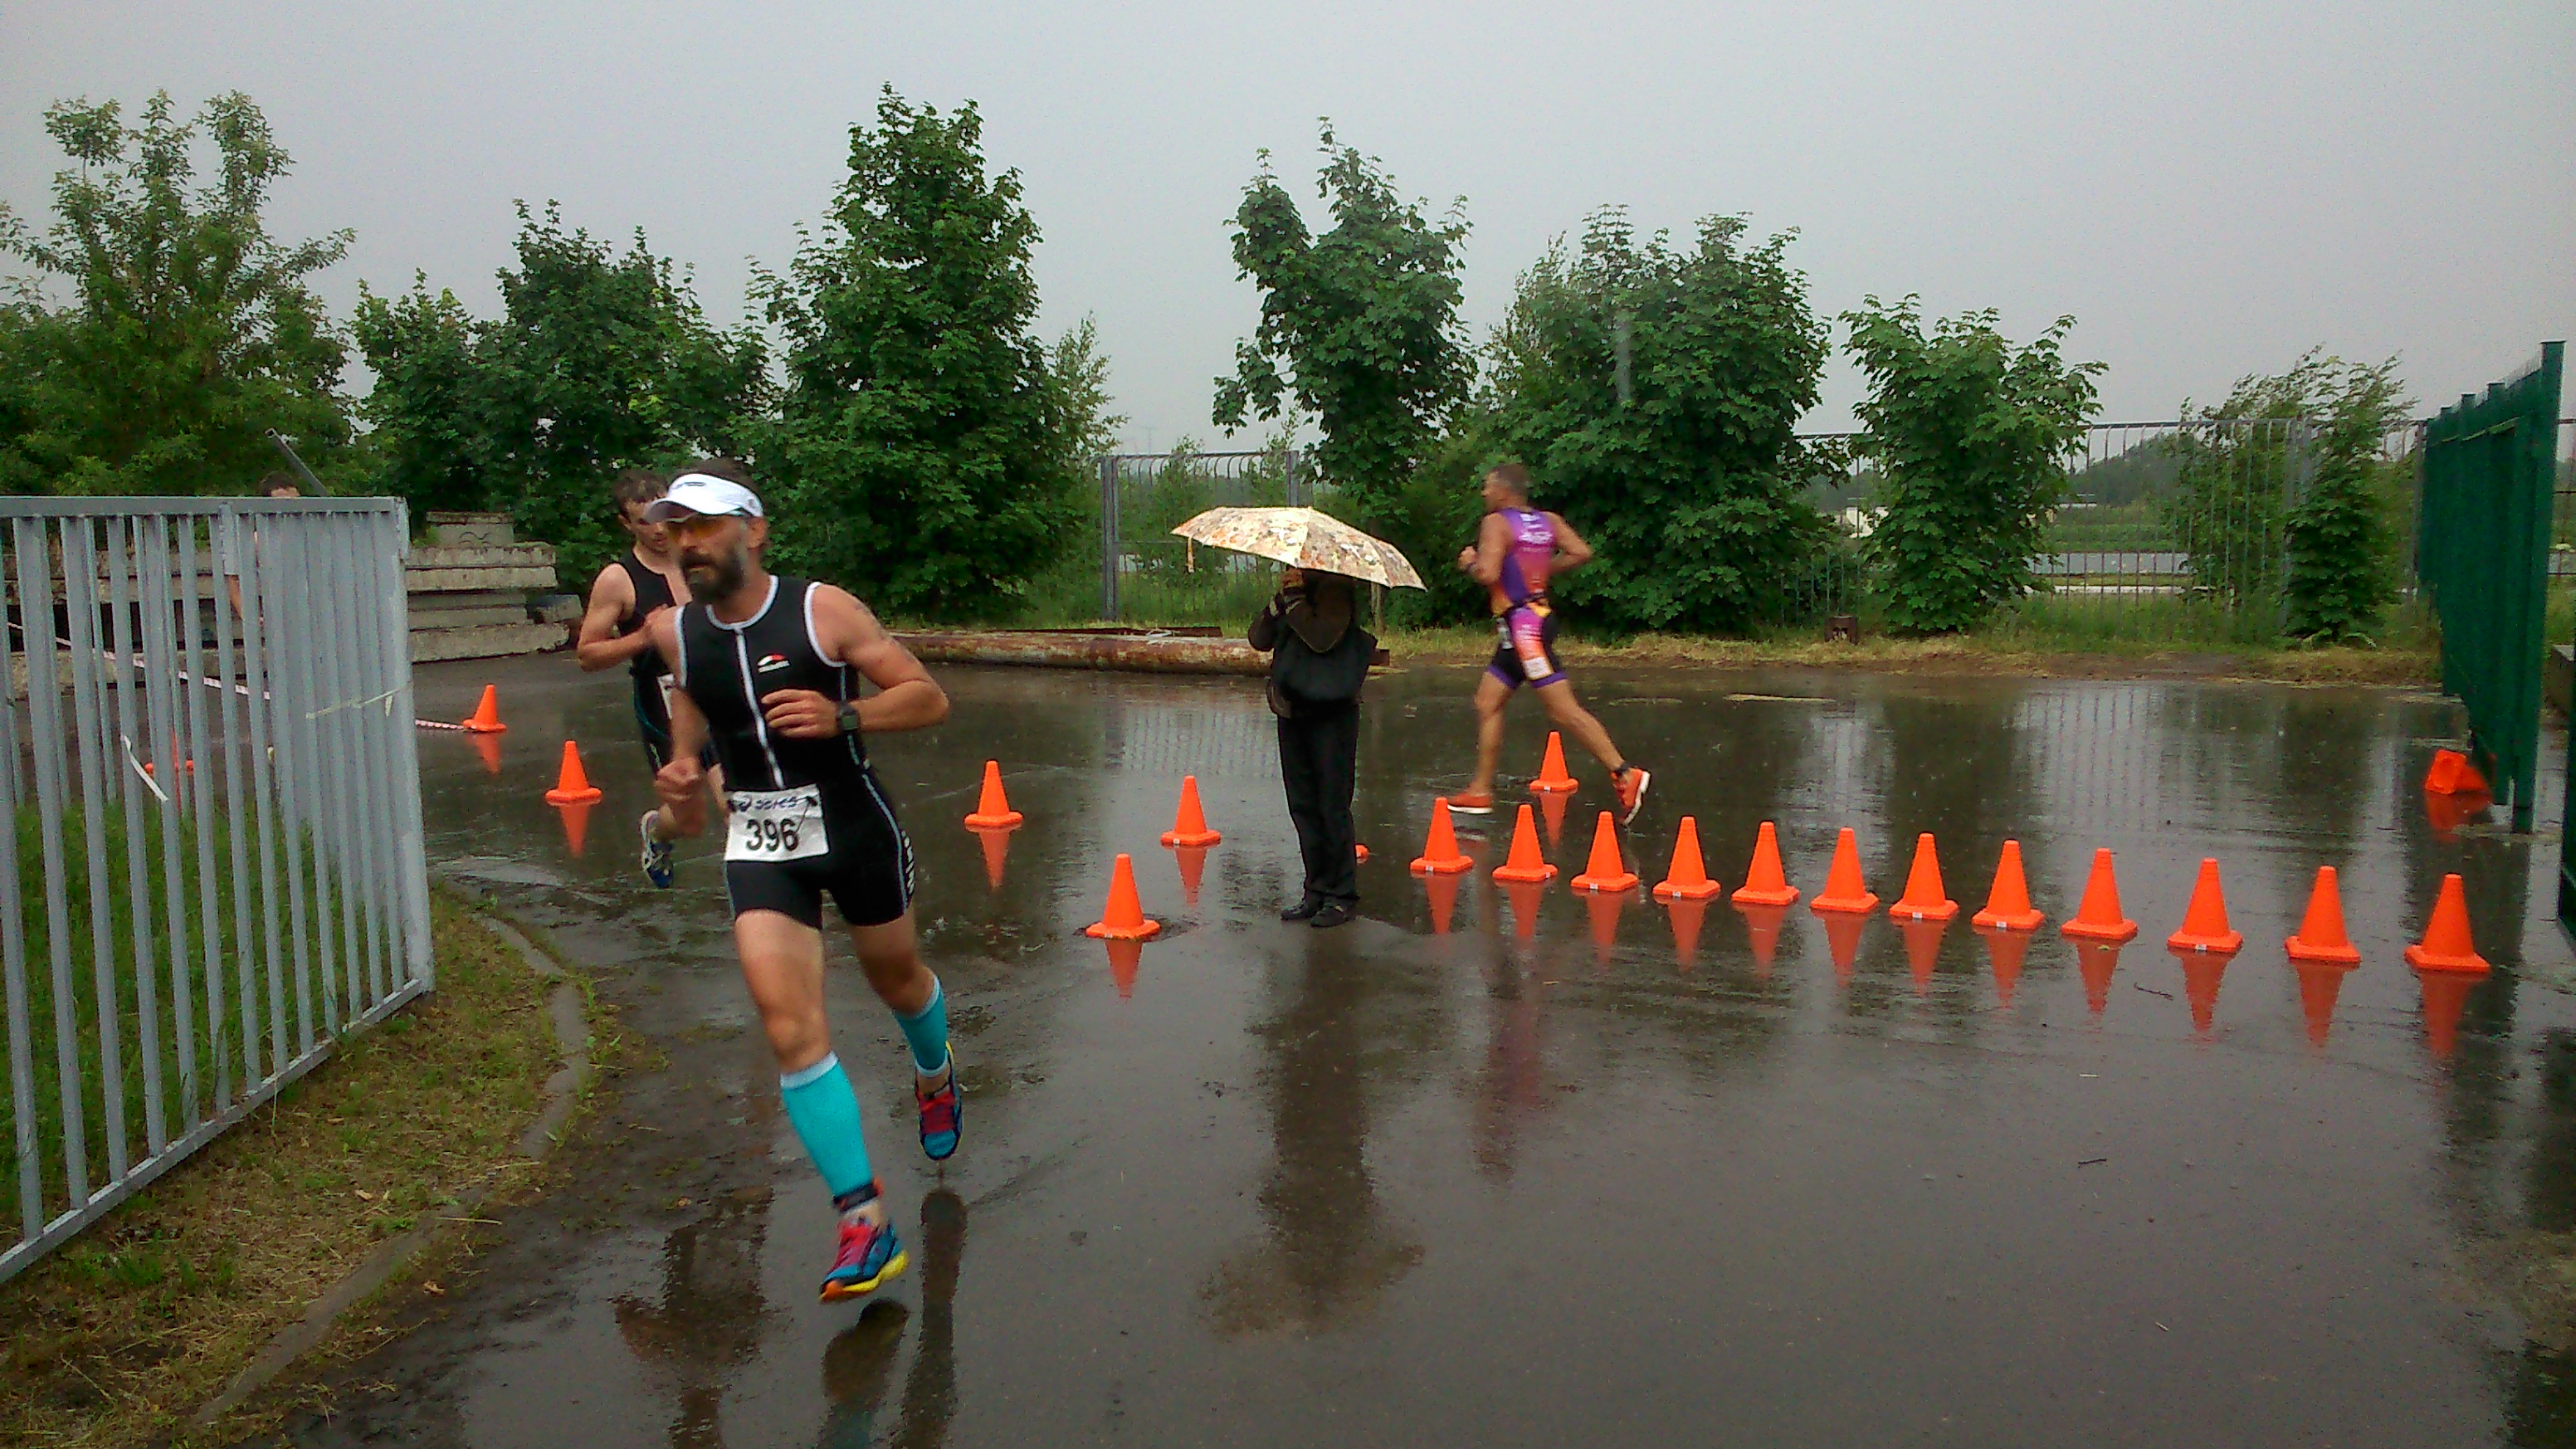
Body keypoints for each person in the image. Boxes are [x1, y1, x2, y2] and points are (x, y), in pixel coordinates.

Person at [639, 460, 961, 1302]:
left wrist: (843, 713)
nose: (687, 543)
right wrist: (680, 774)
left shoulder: (823, 611)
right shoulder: (676, 633)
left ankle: (934, 1073)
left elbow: (927, 698)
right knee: (788, 1027)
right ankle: (864, 1222)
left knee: (897, 980)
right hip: (759, 841)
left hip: (853, 828)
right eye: (677, 529)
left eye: (704, 526)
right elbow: (690, 723)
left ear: (754, 530)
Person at [1444, 463, 1650, 823]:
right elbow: (1581, 552)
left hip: (1525, 629)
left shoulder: (1496, 523)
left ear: (1504, 490)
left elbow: (1488, 573)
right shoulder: (1547, 521)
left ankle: (1624, 773)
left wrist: (1470, 563)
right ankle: (1479, 791)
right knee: (1487, 702)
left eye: (1487, 486)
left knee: (1562, 710)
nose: (1484, 493)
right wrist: (1539, 571)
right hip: (1528, 623)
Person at [573, 468, 719, 886]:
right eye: (644, 522)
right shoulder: (618, 579)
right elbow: (587, 655)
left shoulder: (699, 557)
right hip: (663, 701)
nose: (658, 530)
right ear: (626, 524)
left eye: (663, 517)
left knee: (734, 801)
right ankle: (657, 829)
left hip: (717, 690)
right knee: (689, 819)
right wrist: (643, 637)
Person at [1249, 568, 1373, 929]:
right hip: (1292, 710)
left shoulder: (1337, 587)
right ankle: (1315, 890)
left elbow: (1322, 638)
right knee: (1303, 805)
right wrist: (1277, 604)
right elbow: (1258, 639)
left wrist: (1296, 602)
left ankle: (1341, 895)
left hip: (1332, 714)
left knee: (1332, 805)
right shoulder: (1292, 593)